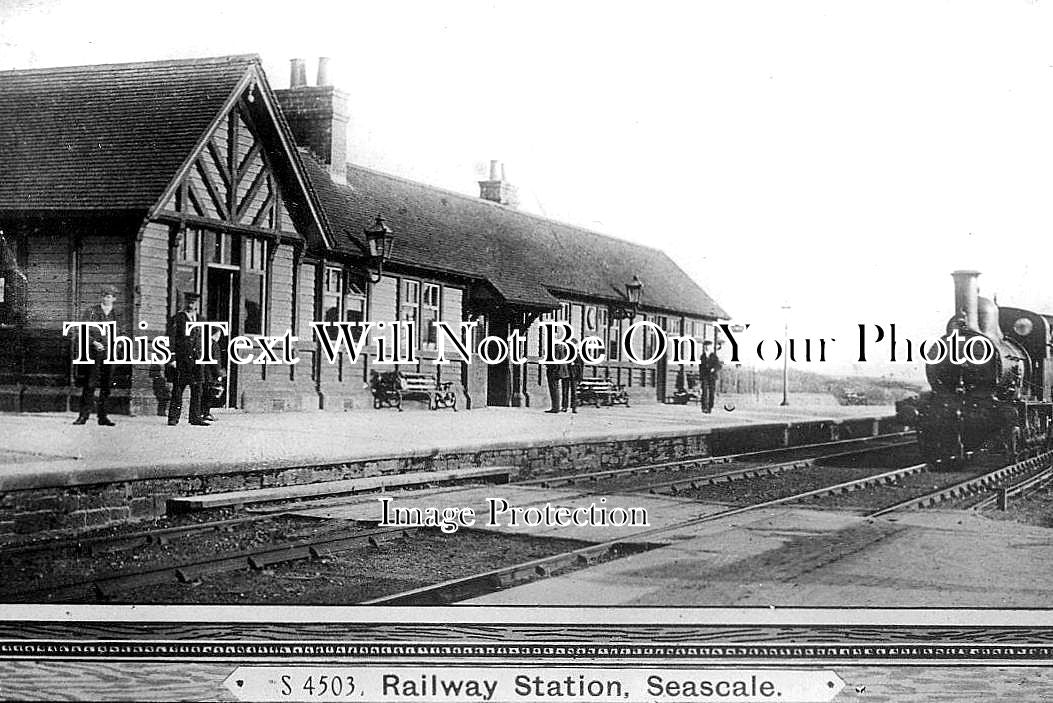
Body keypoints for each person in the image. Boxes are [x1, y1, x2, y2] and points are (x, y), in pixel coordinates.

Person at [73, 285, 120, 426]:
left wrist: (118, 344)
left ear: (114, 299)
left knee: (107, 385)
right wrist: (93, 342)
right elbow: (82, 330)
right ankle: (83, 416)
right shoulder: (91, 311)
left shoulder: (117, 314)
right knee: (90, 384)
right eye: (104, 296)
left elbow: (122, 332)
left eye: (109, 296)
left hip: (110, 354)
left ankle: (103, 417)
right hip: (94, 353)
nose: (107, 298)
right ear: (101, 297)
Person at [166, 293, 209, 426]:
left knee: (197, 390)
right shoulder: (178, 318)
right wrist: (172, 357)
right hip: (182, 359)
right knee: (178, 389)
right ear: (185, 303)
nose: (191, 305)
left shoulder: (201, 320)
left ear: (197, 304)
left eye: (194, 303)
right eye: (189, 302)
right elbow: (171, 339)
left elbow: (204, 339)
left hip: (197, 360)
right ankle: (173, 418)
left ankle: (195, 418)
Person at [200, 327, 225, 422]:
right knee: (209, 394)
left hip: (205, 372)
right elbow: (215, 360)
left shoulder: (205, 343)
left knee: (205, 393)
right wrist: (218, 373)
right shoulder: (214, 344)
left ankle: (203, 412)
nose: (219, 336)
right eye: (219, 334)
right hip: (211, 374)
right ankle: (205, 413)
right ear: (214, 334)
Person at [698, 340, 723, 414]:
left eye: (708, 346)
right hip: (705, 376)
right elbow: (701, 367)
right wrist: (701, 376)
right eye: (705, 346)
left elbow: (719, 365)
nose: (706, 347)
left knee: (711, 392)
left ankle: (710, 407)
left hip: (712, 376)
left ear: (710, 347)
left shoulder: (714, 356)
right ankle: (704, 407)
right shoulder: (702, 356)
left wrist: (714, 369)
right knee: (704, 392)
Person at [563, 338, 584, 413]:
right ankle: (564, 406)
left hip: (574, 375)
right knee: (565, 391)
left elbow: (581, 367)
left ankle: (574, 407)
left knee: (574, 392)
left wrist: (580, 377)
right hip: (566, 374)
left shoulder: (578, 355)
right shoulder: (566, 353)